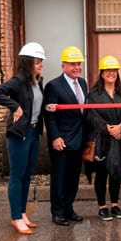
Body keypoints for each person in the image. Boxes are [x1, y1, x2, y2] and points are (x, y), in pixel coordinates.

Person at [0, 42, 46, 235]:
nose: (41, 65)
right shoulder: (19, 80)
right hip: (19, 134)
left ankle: (22, 212)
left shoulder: (38, 82)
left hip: (33, 133)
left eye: (41, 62)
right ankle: (15, 217)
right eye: (37, 62)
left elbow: (37, 105)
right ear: (28, 63)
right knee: (17, 175)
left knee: (27, 175)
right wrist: (15, 106)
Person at [85, 56, 121, 221]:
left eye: (114, 71)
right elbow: (90, 116)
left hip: (119, 139)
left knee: (116, 173)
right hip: (102, 140)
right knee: (101, 174)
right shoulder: (93, 95)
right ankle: (102, 207)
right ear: (102, 73)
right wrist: (107, 128)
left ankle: (114, 205)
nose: (111, 74)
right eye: (108, 71)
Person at [44, 45, 87, 226]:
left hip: (79, 140)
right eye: (72, 64)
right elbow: (49, 114)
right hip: (62, 141)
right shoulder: (53, 86)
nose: (77, 67)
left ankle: (68, 208)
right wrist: (55, 137)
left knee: (73, 178)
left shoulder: (83, 83)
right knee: (59, 178)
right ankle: (57, 212)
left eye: (79, 64)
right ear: (63, 66)